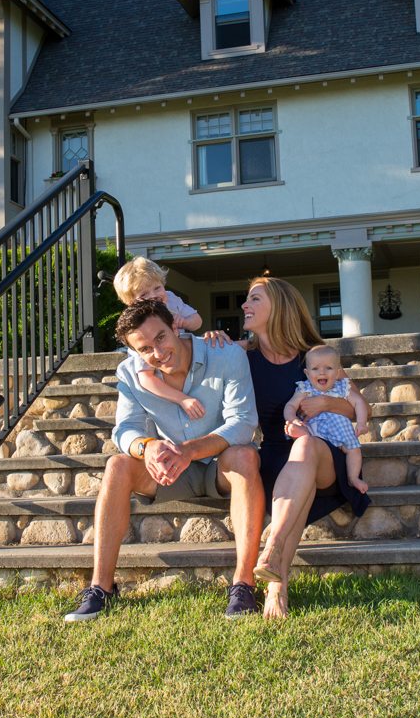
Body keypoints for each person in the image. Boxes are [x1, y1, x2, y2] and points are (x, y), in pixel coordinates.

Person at [64, 298, 263, 622]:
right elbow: (125, 430)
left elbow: (242, 423)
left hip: (219, 465)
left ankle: (244, 584)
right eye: (144, 349)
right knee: (117, 465)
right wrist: (148, 448)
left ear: (175, 326)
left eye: (160, 338)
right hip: (170, 470)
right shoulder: (130, 373)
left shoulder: (227, 355)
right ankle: (101, 588)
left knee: (244, 455)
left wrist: (189, 450)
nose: (157, 352)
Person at [214, 277, 371, 618]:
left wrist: (325, 404)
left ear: (279, 307)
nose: (244, 305)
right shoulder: (242, 356)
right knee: (296, 475)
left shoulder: (315, 357)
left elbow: (357, 406)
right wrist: (211, 339)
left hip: (326, 456)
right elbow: (191, 355)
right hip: (273, 456)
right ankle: (276, 580)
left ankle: (273, 551)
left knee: (307, 447)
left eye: (254, 299)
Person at [278, 344, 370, 511]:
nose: (322, 372)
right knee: (306, 438)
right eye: (315, 369)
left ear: (337, 372)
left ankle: (353, 477)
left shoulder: (343, 387)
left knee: (354, 450)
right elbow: (290, 406)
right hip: (316, 432)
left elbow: (359, 403)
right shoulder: (305, 388)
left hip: (341, 432)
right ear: (307, 373)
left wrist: (362, 423)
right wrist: (291, 419)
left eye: (328, 368)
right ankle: (296, 432)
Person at [112, 257, 205, 419]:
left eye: (157, 288)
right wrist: (181, 399)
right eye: (144, 294)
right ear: (131, 303)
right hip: (165, 385)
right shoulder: (137, 329)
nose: (154, 295)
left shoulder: (171, 299)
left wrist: (184, 321)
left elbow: (197, 321)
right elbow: (146, 379)